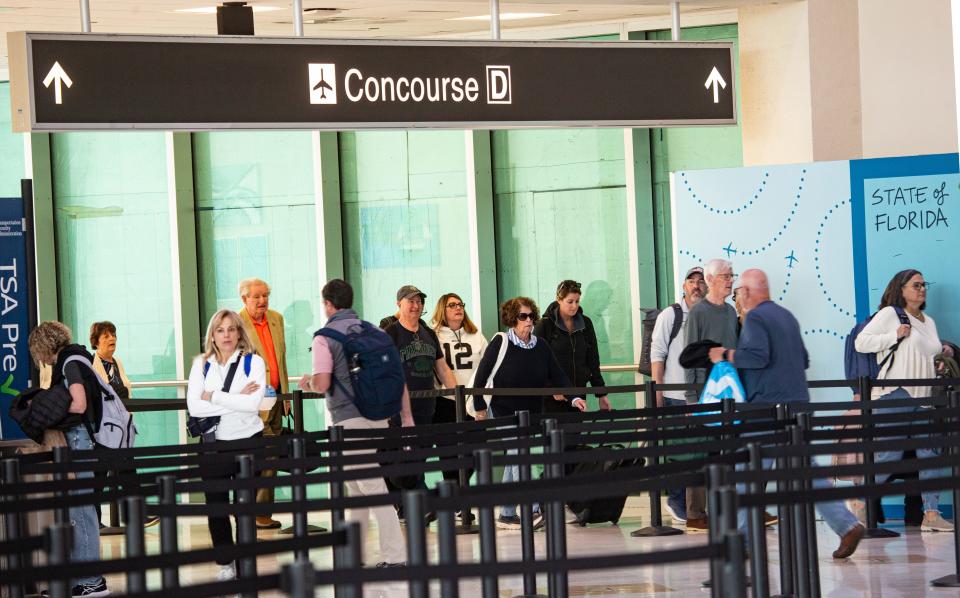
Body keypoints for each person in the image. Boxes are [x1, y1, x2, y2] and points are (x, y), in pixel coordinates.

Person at [709, 269, 865, 559]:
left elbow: (757, 357)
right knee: (808, 472)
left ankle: (740, 542)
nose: (738, 297)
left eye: (739, 292)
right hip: (797, 406)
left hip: (765, 410)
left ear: (746, 292)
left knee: (747, 474)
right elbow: (804, 359)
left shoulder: (755, 317)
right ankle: (847, 525)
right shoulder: (786, 316)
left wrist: (726, 354)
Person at [300, 279, 414, 567]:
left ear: (327, 304)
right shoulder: (373, 331)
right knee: (356, 485)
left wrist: (308, 382)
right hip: (380, 416)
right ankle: (355, 554)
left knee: (372, 485)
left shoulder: (324, 337)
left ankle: (396, 555)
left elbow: (324, 382)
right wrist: (407, 417)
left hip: (349, 419)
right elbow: (397, 377)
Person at [471, 297, 587, 529]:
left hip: (530, 410)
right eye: (522, 316)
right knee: (521, 454)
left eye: (530, 316)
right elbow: (482, 375)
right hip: (503, 409)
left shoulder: (541, 345)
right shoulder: (501, 342)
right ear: (512, 319)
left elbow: (558, 374)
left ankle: (505, 513)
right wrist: (479, 406)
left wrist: (574, 397)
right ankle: (533, 510)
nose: (528, 321)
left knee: (516, 457)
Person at [854, 268, 954, 532]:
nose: (922, 289)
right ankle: (861, 499)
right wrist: (893, 335)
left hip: (925, 396)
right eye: (916, 285)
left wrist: (938, 366)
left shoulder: (929, 322)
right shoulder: (890, 314)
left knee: (929, 455)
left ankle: (931, 515)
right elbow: (861, 342)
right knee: (890, 455)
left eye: (924, 284)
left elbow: (925, 355)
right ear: (901, 289)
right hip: (895, 393)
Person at [187, 309, 271, 581]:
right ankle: (225, 563)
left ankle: (246, 564)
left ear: (239, 333)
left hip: (249, 444)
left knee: (244, 507)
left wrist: (213, 397)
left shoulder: (253, 362)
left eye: (231, 329)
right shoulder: (201, 364)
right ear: (212, 334)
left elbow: (252, 405)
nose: (226, 335)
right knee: (217, 508)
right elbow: (195, 407)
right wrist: (233, 398)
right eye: (220, 330)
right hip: (214, 445)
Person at [28, 321, 109, 597]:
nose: (39, 359)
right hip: (84, 442)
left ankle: (92, 580)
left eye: (37, 352)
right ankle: (80, 578)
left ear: (44, 346)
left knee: (81, 511)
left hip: (80, 442)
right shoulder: (77, 356)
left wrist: (50, 408)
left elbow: (79, 403)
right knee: (78, 511)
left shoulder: (69, 363)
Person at [384, 285, 457, 506]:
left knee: (419, 460)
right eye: (411, 301)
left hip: (427, 410)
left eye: (419, 301)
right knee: (403, 464)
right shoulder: (391, 334)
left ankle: (413, 508)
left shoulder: (428, 333)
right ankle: (420, 505)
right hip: (399, 411)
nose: (416, 306)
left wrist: (458, 397)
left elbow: (442, 368)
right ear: (399, 304)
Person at [682, 258, 738, 533]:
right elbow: (690, 356)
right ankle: (695, 514)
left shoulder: (730, 312)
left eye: (732, 275)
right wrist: (693, 400)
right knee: (701, 453)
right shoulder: (697, 313)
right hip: (704, 395)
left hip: (729, 394)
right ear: (712, 279)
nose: (731, 280)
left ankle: (727, 509)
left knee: (726, 452)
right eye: (727, 276)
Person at [649, 266, 706, 527]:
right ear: (683, 286)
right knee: (678, 453)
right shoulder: (670, 315)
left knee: (697, 454)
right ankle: (676, 501)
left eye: (700, 281)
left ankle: (691, 506)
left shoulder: (707, 315)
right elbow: (657, 352)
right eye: (691, 281)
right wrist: (658, 390)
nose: (696, 285)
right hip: (673, 395)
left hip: (701, 397)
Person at [88, 321, 159, 529]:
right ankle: (94, 521)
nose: (112, 339)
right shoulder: (92, 365)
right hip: (103, 430)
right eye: (106, 336)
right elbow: (103, 394)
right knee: (99, 475)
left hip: (121, 429)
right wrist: (117, 394)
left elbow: (125, 392)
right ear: (96, 342)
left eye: (113, 335)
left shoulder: (117, 362)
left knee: (129, 472)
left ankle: (137, 515)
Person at [237, 278, 289, 530]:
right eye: (256, 297)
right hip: (254, 402)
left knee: (273, 453)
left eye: (265, 295)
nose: (262, 301)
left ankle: (260, 511)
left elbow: (281, 359)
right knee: (265, 454)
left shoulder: (277, 318)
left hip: (278, 398)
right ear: (244, 299)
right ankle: (258, 512)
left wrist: (286, 395)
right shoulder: (235, 325)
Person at [430, 293, 486, 490]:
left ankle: (452, 492)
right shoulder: (433, 335)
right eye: (452, 305)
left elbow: (487, 366)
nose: (458, 308)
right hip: (445, 401)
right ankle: (456, 499)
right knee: (449, 454)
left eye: (460, 304)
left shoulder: (476, 334)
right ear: (442, 310)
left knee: (476, 450)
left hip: (471, 401)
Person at [534, 279, 610, 414]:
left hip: (578, 393)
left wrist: (601, 394)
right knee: (554, 434)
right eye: (570, 301)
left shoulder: (586, 323)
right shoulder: (544, 325)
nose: (574, 306)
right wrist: (551, 388)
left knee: (576, 433)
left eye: (577, 301)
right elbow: (537, 362)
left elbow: (593, 360)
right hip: (553, 398)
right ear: (559, 299)